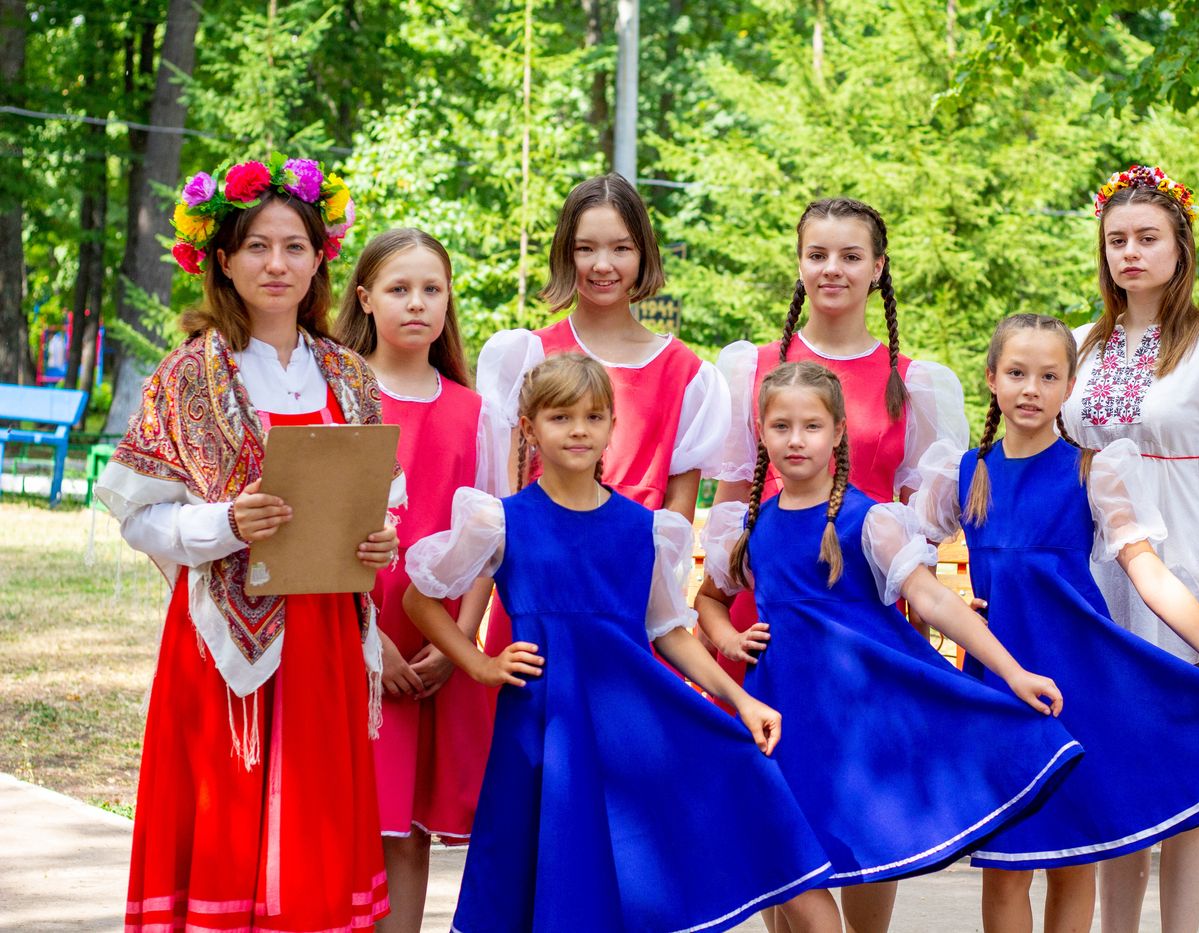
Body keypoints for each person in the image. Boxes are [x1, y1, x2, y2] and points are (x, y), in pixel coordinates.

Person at [402, 353, 832, 932]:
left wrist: (742, 700)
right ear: (529, 428)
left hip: (632, 728)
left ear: (611, 426)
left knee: (726, 815)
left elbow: (668, 631)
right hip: (544, 729)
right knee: (538, 876)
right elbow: (420, 600)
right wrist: (478, 664)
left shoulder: (644, 528)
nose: (578, 430)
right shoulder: (500, 521)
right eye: (560, 417)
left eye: (593, 416)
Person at [909, 312, 1199, 933]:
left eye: (1049, 376)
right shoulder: (962, 473)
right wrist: (950, 598)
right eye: (1016, 373)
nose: (1031, 389)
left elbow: (1151, 577)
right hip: (1001, 682)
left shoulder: (1094, 470)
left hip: (1083, 685)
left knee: (1075, 859)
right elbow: (909, 564)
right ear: (991, 378)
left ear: (1071, 388)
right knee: (1007, 864)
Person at [99, 157, 400, 930]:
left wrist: (378, 543)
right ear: (223, 260)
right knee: (226, 825)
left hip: (326, 637)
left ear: (320, 258)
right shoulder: (186, 376)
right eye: (257, 246)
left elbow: (378, 503)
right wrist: (226, 523)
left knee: (314, 829)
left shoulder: (350, 377)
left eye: (295, 246)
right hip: (221, 647)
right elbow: (138, 518)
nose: (277, 264)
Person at [697, 360, 1081, 932]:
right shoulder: (749, 528)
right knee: (789, 863)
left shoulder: (871, 521)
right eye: (780, 426)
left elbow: (934, 600)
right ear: (761, 432)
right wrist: (728, 637)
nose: (796, 440)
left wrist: (1013, 672)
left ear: (838, 432)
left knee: (860, 854)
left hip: (861, 725)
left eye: (811, 426)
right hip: (785, 717)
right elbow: (709, 599)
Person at [1064, 165, 1199, 933]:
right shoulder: (1082, 346)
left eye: (1147, 237)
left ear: (1180, 246)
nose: (1130, 252)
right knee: (1117, 771)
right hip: (1095, 579)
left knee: (1188, 779)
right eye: (1117, 239)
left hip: (1180, 574)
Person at [476, 172, 729, 662]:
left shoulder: (687, 374)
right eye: (585, 248)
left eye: (621, 248)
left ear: (644, 254)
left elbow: (676, 520)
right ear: (564, 254)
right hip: (536, 593)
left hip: (630, 593)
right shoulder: (527, 356)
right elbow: (505, 497)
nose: (602, 264)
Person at [334, 227, 502, 932]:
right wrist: (368, 637)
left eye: (432, 289)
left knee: (408, 830)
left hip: (437, 645)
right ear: (365, 298)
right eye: (399, 289)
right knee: (347, 819)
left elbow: (489, 541)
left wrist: (457, 641)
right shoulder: (337, 397)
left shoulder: (476, 412)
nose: (416, 303)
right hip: (350, 633)